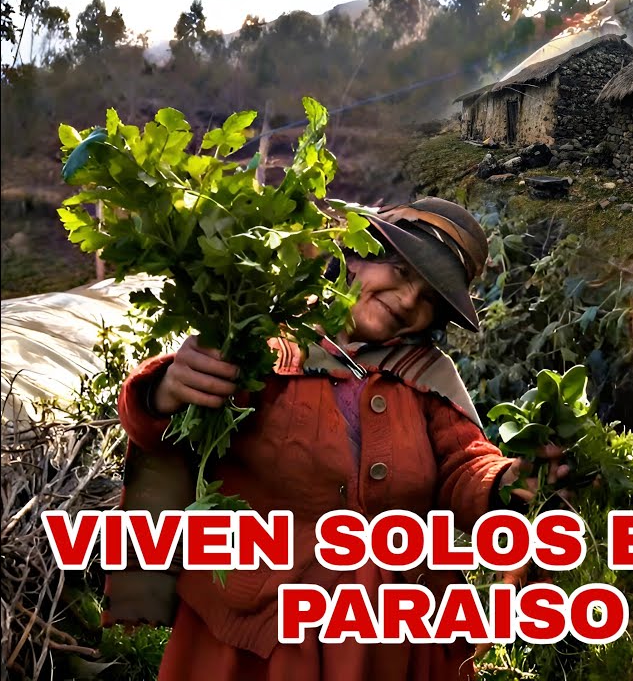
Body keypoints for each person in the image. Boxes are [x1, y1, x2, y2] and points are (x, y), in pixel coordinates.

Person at [109, 197, 568, 680]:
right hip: (259, 634)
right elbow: (167, 430)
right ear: (356, 255)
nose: (411, 300)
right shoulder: (262, 340)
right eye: (402, 270)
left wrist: (507, 481)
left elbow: (465, 464)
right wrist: (164, 391)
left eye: (430, 299)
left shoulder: (428, 378)